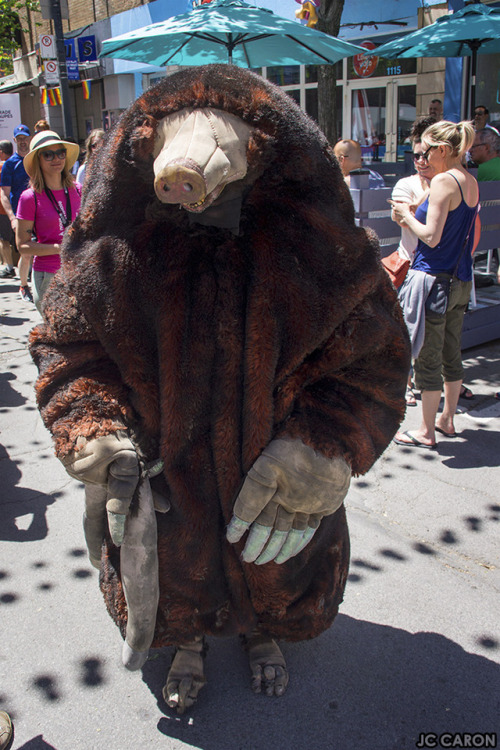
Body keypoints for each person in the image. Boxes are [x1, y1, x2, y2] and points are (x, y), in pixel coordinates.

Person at [390, 120, 479, 447]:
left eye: (426, 149)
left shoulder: (442, 181)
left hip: (434, 280)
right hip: (460, 279)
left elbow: (430, 235)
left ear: (442, 149)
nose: (421, 156)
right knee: (451, 351)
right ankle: (447, 420)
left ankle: (426, 431)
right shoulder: (469, 179)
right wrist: (418, 210)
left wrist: (405, 216)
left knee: (427, 356)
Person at [391, 116, 438, 406]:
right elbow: (404, 219)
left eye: (426, 155)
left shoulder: (451, 183)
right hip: (411, 266)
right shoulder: (406, 184)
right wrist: (438, 189)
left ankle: (428, 381)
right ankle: (404, 383)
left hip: (442, 270)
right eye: (416, 155)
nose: (420, 161)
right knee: (406, 331)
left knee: (434, 334)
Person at [16, 130, 81, 314]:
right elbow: (23, 246)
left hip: (79, 271)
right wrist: (60, 248)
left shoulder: (78, 190)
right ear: (38, 159)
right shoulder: (29, 198)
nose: (56, 158)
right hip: (49, 276)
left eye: (60, 152)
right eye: (48, 154)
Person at [0, 124, 33, 302]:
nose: (22, 142)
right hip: (21, 216)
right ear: (15, 141)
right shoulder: (9, 164)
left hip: (39, 212)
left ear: (29, 138)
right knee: (26, 252)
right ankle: (24, 285)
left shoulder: (36, 159)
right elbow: (4, 194)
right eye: (19, 139)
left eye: (24, 138)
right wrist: (12, 218)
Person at [469, 128, 500, 284]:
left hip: (481, 234)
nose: (470, 150)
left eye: (474, 146)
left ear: (487, 148)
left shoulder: (477, 173)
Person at [0, 140, 14, 278]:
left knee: (4, 240)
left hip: (3, 210)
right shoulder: (16, 163)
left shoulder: (2, 166)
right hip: (16, 208)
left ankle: (9, 267)